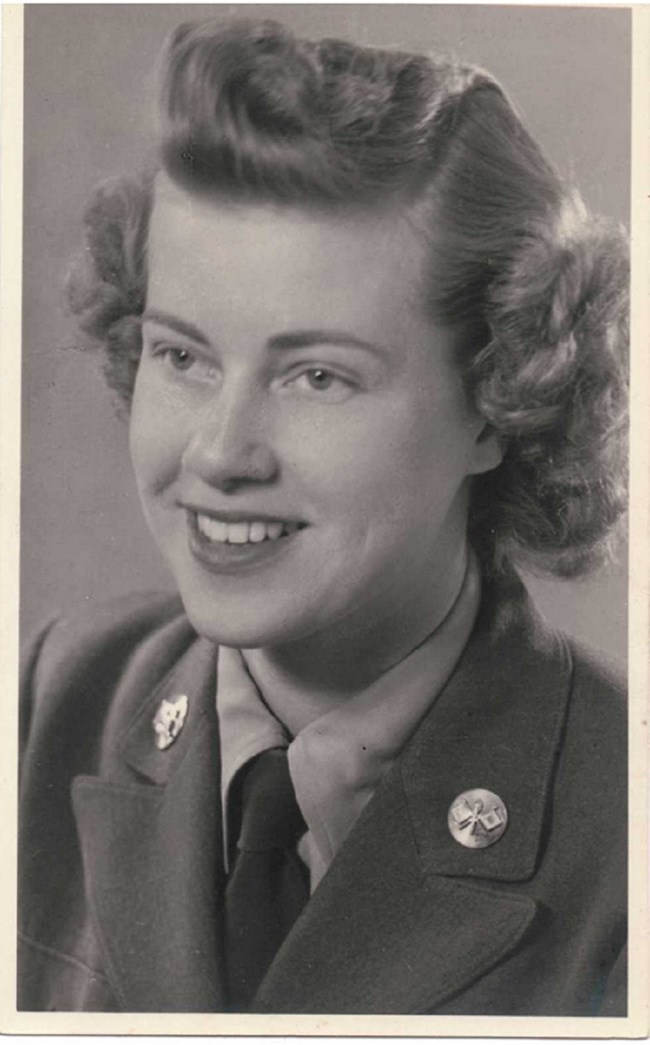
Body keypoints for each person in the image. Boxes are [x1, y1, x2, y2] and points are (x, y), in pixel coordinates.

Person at [18, 18, 628, 1015]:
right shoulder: (57, 698)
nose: (220, 452)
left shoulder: (620, 827)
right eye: (182, 354)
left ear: (500, 395)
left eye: (316, 376)